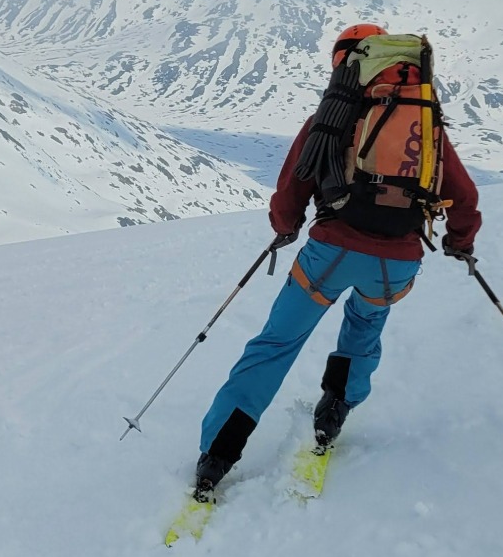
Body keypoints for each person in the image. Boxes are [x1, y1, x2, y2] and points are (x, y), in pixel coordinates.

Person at [192, 24, 482, 497]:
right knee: (363, 330)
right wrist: (461, 241)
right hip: (395, 265)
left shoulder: (331, 118)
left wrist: (285, 227)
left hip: (330, 254)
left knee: (275, 345)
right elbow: (463, 195)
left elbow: (291, 189)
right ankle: (333, 413)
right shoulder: (425, 123)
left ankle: (217, 456)